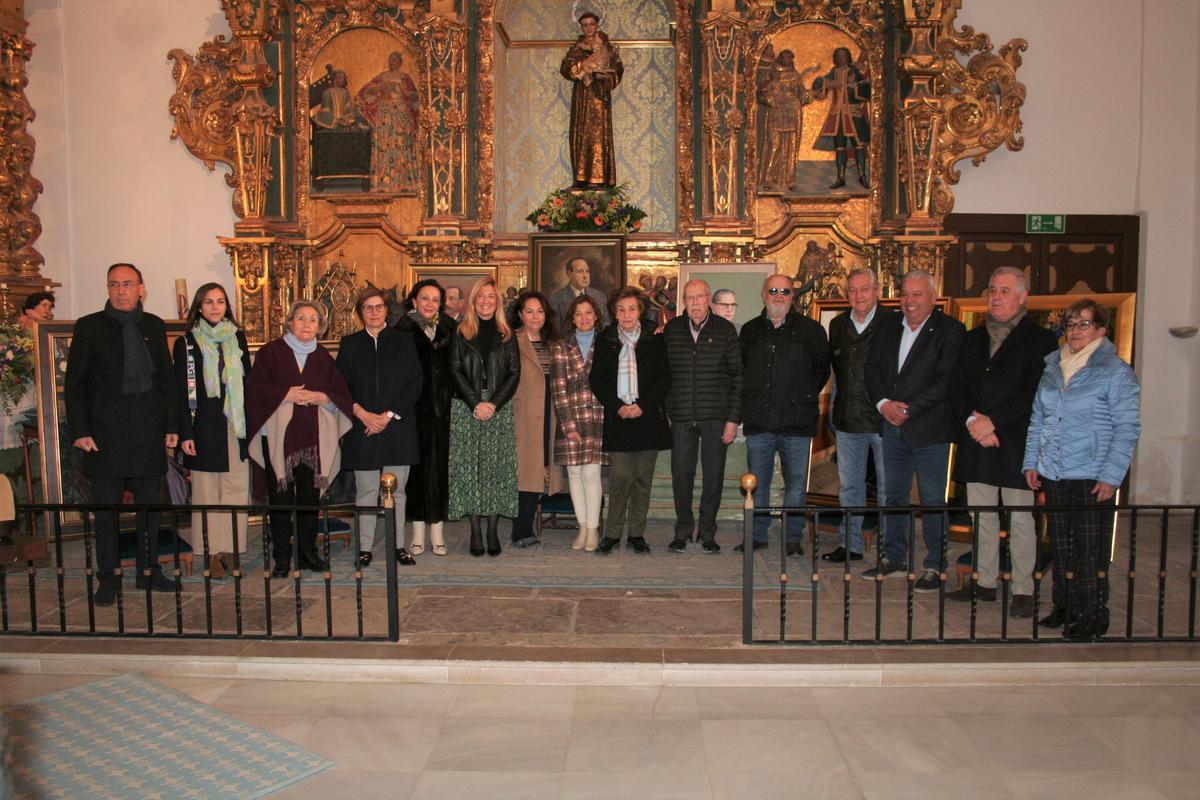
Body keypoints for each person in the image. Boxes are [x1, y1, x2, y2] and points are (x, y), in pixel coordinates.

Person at [1023, 299, 1141, 640]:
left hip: (1092, 472)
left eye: (1083, 324)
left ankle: (1092, 613)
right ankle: (1064, 604)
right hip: (1056, 470)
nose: (1075, 331)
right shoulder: (1053, 368)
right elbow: (1038, 420)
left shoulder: (1115, 372)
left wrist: (1111, 476)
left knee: (1090, 550)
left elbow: (1127, 427)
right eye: (1071, 324)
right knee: (1061, 545)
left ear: (1101, 330)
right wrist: (1032, 462)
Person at [65, 263, 178, 606]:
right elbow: (76, 385)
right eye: (114, 284)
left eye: (128, 284)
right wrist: (81, 431)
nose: (120, 290)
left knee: (150, 510)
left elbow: (167, 383)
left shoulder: (154, 326)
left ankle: (149, 571)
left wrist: (171, 426)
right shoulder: (89, 327)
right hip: (104, 435)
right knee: (106, 514)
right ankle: (108, 579)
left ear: (141, 288)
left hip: (146, 431)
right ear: (108, 288)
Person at [947, 267, 1058, 616]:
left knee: (1021, 518)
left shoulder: (1041, 341)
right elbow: (957, 386)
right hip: (977, 440)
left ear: (1023, 296)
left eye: (1005, 290)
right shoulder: (972, 338)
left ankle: (1024, 588)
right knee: (982, 516)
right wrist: (972, 420)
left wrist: (992, 421)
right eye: (992, 289)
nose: (996, 296)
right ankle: (984, 582)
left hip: (1015, 442)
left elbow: (1034, 393)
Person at [864, 269, 964, 590]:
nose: (910, 301)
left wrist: (908, 408)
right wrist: (883, 404)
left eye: (917, 294)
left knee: (933, 498)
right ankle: (895, 557)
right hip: (891, 427)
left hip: (931, 430)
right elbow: (873, 368)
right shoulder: (888, 325)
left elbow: (946, 380)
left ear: (933, 298)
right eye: (905, 294)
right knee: (894, 495)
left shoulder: (951, 330)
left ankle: (935, 563)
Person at [246, 301, 353, 577]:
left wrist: (325, 398)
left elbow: (340, 392)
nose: (307, 324)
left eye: (313, 320)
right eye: (301, 318)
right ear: (290, 321)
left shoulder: (323, 358)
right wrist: (285, 394)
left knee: (309, 500)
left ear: (320, 327)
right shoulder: (271, 352)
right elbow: (255, 389)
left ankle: (307, 553)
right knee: (280, 500)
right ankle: (281, 557)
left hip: (312, 440)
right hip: (278, 438)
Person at [737, 274, 830, 554]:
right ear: (764, 295)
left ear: (793, 296)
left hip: (796, 423)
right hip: (760, 422)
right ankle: (758, 535)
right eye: (773, 290)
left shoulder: (812, 331)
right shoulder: (750, 331)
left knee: (796, 486)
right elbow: (741, 372)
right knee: (758, 484)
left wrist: (798, 396)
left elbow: (821, 371)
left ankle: (792, 538)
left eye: (785, 291)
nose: (779, 295)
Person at [336, 288, 423, 568]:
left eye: (379, 307)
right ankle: (364, 548)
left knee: (396, 492)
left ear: (387, 310)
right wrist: (362, 414)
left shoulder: (404, 341)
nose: (374, 312)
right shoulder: (350, 344)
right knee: (366, 490)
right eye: (368, 308)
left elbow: (414, 384)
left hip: (397, 427)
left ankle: (397, 546)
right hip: (363, 428)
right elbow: (341, 387)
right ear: (360, 313)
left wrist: (386, 416)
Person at [174, 283, 252, 580]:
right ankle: (211, 551)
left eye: (220, 301)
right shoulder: (187, 342)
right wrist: (185, 434)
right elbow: (180, 391)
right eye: (208, 302)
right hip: (203, 425)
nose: (215, 307)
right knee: (208, 491)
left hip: (235, 423)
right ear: (199, 306)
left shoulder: (237, 338)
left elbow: (247, 382)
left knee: (235, 488)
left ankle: (231, 549)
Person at [663, 279, 743, 554]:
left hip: (716, 417)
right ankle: (683, 531)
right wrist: (668, 411)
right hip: (682, 417)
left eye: (699, 297)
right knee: (680, 476)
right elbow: (664, 377)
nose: (695, 303)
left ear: (709, 298)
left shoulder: (724, 330)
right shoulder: (672, 330)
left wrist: (733, 419)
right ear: (683, 301)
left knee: (713, 477)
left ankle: (707, 532)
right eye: (689, 298)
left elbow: (738, 377)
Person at [591, 288, 672, 553]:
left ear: (640, 311)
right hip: (619, 419)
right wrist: (618, 407)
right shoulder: (605, 339)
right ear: (614, 313)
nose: (626, 314)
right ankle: (612, 533)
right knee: (621, 478)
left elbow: (664, 378)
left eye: (632, 309)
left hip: (648, 418)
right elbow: (597, 380)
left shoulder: (655, 337)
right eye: (621, 310)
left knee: (642, 479)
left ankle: (637, 534)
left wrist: (642, 406)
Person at [822, 267, 893, 564]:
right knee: (849, 487)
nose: (858, 295)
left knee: (889, 488)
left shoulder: (893, 322)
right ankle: (851, 545)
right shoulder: (838, 325)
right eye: (852, 290)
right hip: (848, 419)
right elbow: (835, 374)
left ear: (876, 291)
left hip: (883, 420)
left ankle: (890, 550)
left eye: (864, 289)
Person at [448, 277, 520, 556]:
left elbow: (515, 373)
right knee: (469, 470)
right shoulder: (460, 332)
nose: (487, 301)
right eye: (481, 297)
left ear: (498, 301)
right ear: (474, 301)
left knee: (495, 470)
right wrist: (476, 402)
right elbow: (454, 369)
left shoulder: (508, 333)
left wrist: (493, 403)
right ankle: (475, 531)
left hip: (499, 409)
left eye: (491, 297)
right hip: (467, 408)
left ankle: (492, 530)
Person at [396, 279, 457, 556]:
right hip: (413, 412)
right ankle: (418, 528)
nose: (430, 304)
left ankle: (438, 529)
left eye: (435, 299)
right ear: (414, 301)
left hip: (445, 412)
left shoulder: (450, 329)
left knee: (441, 470)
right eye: (425, 298)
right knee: (417, 472)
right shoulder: (401, 330)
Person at [551, 295, 606, 552]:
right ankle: (582, 527)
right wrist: (568, 424)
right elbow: (558, 388)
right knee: (573, 473)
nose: (584, 318)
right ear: (572, 319)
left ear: (596, 316)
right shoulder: (562, 346)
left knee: (592, 474)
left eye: (588, 313)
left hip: (598, 417)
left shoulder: (607, 342)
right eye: (579, 314)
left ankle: (593, 529)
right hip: (571, 418)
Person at [509, 290, 563, 548]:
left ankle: (524, 527)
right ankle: (521, 530)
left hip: (549, 415)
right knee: (525, 472)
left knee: (540, 469)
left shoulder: (553, 343)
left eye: (539, 311)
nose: (535, 316)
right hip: (522, 414)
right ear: (520, 314)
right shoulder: (510, 341)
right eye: (529, 311)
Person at [560, 12, 623, 188]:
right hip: (582, 97)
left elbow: (617, 70)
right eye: (585, 25)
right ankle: (581, 178)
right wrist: (584, 64)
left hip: (600, 97)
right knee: (581, 132)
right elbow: (566, 69)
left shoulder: (606, 47)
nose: (588, 28)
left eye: (591, 24)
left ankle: (601, 178)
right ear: (581, 27)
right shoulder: (577, 49)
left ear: (597, 25)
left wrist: (605, 76)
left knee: (598, 135)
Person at [355, 51, 420, 191]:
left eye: (395, 60)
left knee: (401, 144)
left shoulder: (404, 77)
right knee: (384, 144)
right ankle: (383, 182)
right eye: (390, 60)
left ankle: (404, 182)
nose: (392, 62)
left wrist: (404, 91)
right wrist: (382, 86)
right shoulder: (382, 76)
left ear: (400, 62)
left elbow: (413, 96)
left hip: (400, 113)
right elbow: (368, 90)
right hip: (384, 113)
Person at [811, 47, 871, 189]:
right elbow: (822, 82)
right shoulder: (834, 72)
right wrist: (824, 83)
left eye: (843, 55)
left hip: (853, 113)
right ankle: (840, 177)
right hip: (838, 115)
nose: (841, 58)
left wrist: (852, 85)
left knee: (859, 144)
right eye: (838, 56)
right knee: (840, 146)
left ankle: (862, 175)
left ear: (848, 57)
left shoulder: (854, 71)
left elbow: (866, 87)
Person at [757, 49, 812, 192]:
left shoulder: (795, 75)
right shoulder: (771, 74)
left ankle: (789, 179)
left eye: (789, 57)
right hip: (777, 112)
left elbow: (802, 93)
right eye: (784, 57)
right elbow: (762, 93)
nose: (786, 60)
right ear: (780, 58)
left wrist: (810, 95)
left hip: (792, 112)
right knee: (774, 145)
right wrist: (771, 99)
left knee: (791, 145)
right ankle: (769, 178)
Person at [549, 257, 609, 330]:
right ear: (569, 274)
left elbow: (606, 326)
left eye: (587, 271)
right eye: (580, 271)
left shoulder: (600, 296)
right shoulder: (556, 299)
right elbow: (555, 331)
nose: (585, 276)